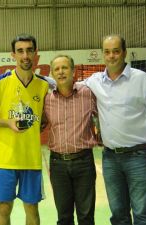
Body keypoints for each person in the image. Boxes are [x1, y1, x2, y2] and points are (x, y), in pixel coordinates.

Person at [82, 34, 146, 225]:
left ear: (124, 52)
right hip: (110, 158)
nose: (111, 56)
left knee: (143, 214)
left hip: (138, 156)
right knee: (118, 215)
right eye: (107, 52)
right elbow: (67, 85)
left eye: (116, 51)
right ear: (102, 54)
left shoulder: (143, 80)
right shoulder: (95, 81)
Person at [0, 33, 49, 225]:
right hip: (5, 158)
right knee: (4, 207)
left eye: (29, 50)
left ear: (36, 53)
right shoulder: (0, 82)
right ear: (13, 55)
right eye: (20, 51)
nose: (25, 55)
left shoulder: (44, 85)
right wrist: (8, 123)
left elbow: (46, 116)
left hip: (31, 159)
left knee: (32, 209)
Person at [43, 55, 98, 225]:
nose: (61, 72)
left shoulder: (88, 94)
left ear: (73, 71)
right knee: (64, 217)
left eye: (65, 68)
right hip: (58, 164)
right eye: (57, 69)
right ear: (52, 73)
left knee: (86, 217)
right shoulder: (47, 99)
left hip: (84, 162)